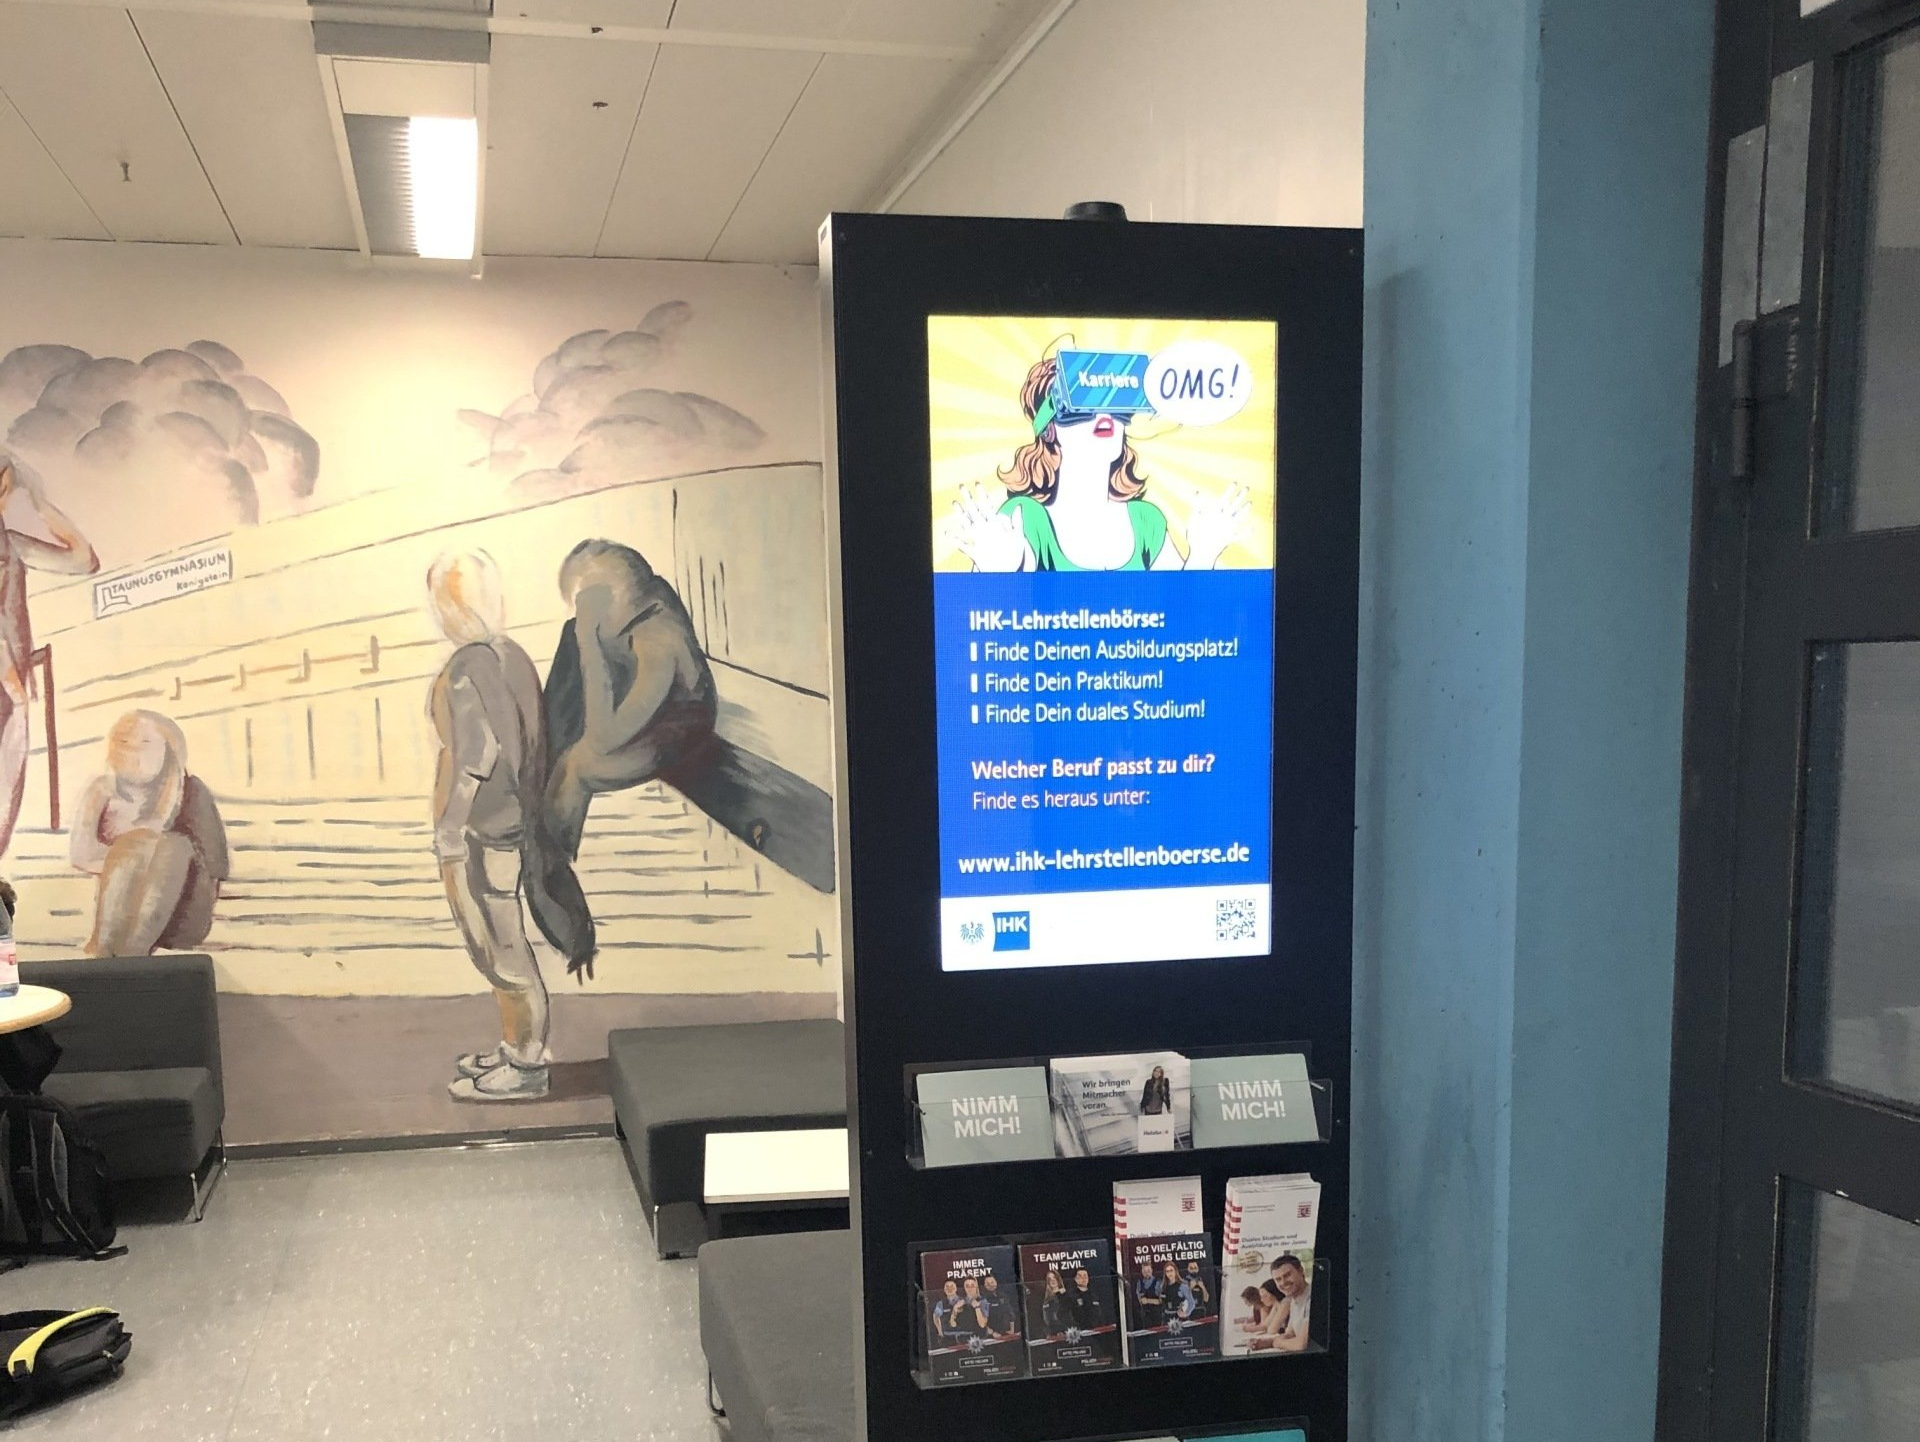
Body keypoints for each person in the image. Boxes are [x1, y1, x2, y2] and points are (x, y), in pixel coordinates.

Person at [425, 552, 564, 1102]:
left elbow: (474, 758)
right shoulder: (514, 656)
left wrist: (448, 829)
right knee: (505, 937)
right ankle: (514, 1046)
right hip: (515, 819)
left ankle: (527, 1064)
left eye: (441, 601)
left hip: (482, 828)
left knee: (497, 944)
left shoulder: (466, 668)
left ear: (451, 607)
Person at [950, 353, 1248, 573]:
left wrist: (1204, 553)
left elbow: (1182, 620)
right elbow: (989, 625)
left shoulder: (1146, 520)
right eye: (1081, 407)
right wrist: (999, 573)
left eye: (1116, 406)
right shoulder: (1025, 518)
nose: (1103, 416)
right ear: (1049, 428)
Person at [541, 540, 718, 865]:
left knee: (576, 766)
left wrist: (589, 640)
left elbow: (602, 740)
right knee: (572, 636)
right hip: (634, 700)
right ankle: (538, 787)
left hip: (672, 728)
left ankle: (553, 863)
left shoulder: (657, 641)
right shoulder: (632, 605)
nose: (581, 616)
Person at [68, 710, 228, 957]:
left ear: (169, 750)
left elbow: (215, 866)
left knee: (170, 846)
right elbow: (81, 854)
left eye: (145, 743)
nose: (133, 752)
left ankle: (130, 954)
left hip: (183, 908)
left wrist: (151, 858)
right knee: (135, 845)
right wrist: (132, 861)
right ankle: (108, 952)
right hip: (120, 908)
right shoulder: (102, 790)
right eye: (124, 742)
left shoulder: (191, 791)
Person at [0, 459, 98, 858]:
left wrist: (42, 505)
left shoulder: (13, 545)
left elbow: (83, 560)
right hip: (8, 685)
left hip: (11, 690)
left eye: (5, 487)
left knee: (7, 788)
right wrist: (9, 675)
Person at [1262, 1254, 1314, 1354]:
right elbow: (1290, 1334)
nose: (1283, 1282)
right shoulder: (1293, 1300)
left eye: (1287, 1275)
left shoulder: (1311, 1298)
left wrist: (1277, 1343)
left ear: (1301, 1271)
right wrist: (1268, 1342)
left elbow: (1302, 1344)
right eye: (1278, 1279)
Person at [1066, 1265, 1110, 1334]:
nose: (1083, 1278)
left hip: (1096, 1332)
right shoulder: (1071, 1296)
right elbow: (1068, 1316)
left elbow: (1101, 1314)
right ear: (1075, 1279)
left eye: (1085, 1276)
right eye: (1080, 1276)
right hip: (1079, 1333)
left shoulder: (1094, 1295)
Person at [981, 1273, 1019, 1340]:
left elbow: (1010, 1313)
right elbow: (982, 1322)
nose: (990, 1285)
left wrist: (1012, 1330)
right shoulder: (983, 1299)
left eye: (992, 1282)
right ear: (984, 1285)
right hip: (991, 1336)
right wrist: (993, 1333)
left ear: (996, 1282)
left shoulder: (1003, 1296)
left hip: (1006, 1333)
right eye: (988, 1283)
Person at [1039, 1269, 1070, 1336]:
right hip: (1051, 1332)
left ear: (1058, 1279)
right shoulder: (1046, 1298)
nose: (1052, 1280)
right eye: (1050, 1279)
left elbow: (1066, 1314)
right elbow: (1045, 1318)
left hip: (1064, 1331)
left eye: (1054, 1278)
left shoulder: (1064, 1295)